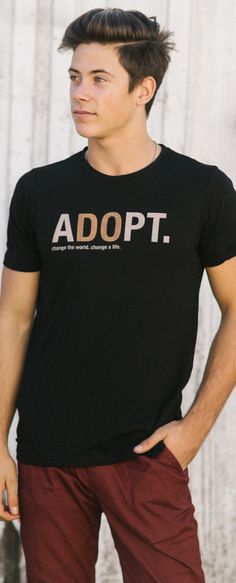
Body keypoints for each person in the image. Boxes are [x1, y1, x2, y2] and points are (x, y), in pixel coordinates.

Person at [0, 7, 236, 582]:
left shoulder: (200, 189)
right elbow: (14, 318)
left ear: (143, 89)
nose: (80, 92)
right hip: (47, 456)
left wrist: (193, 431)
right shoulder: (39, 192)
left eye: (99, 78)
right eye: (75, 77)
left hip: (147, 456)